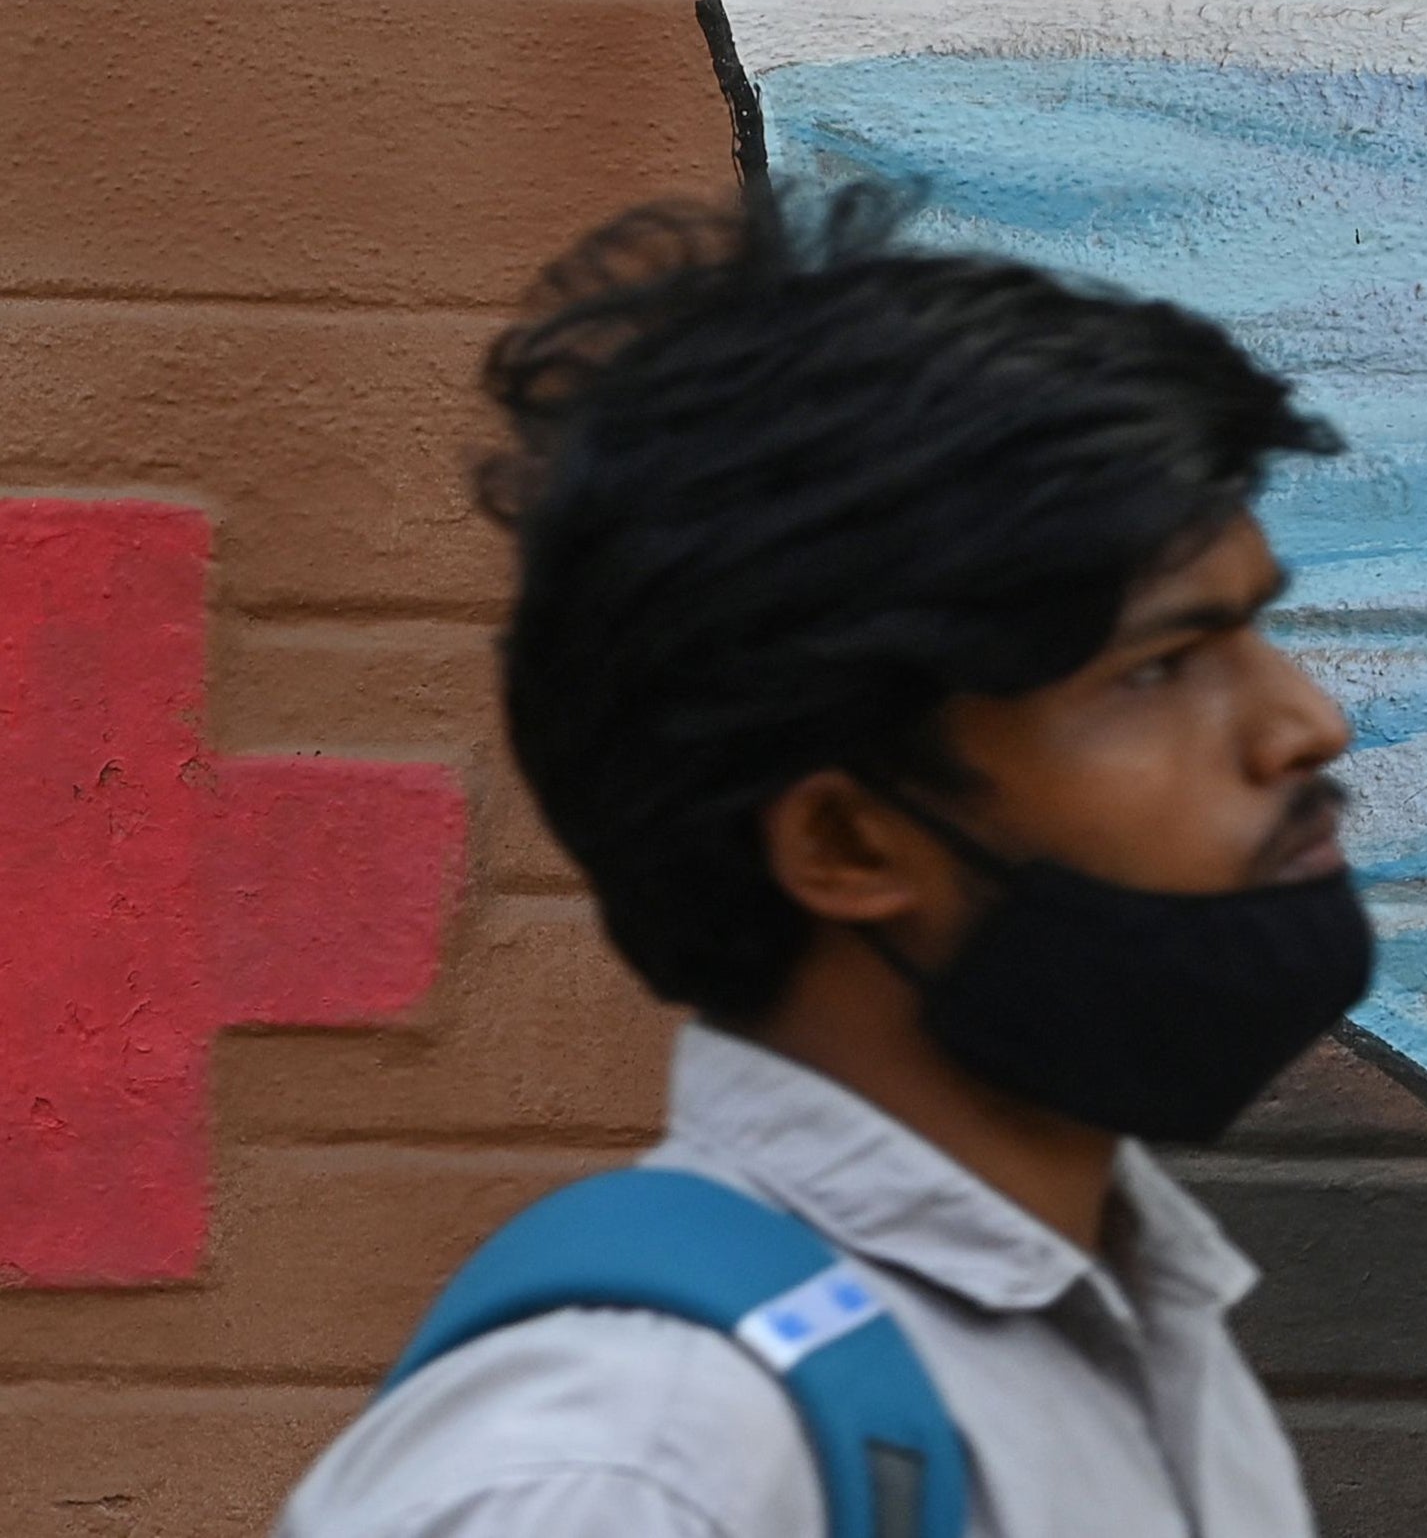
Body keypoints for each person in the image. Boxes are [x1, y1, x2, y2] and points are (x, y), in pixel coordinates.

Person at [276, 189, 1364, 1537]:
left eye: (1256, 628)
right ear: (847, 841)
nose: (1307, 722)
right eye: (1158, 668)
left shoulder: (1128, 1317)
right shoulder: (631, 1466)